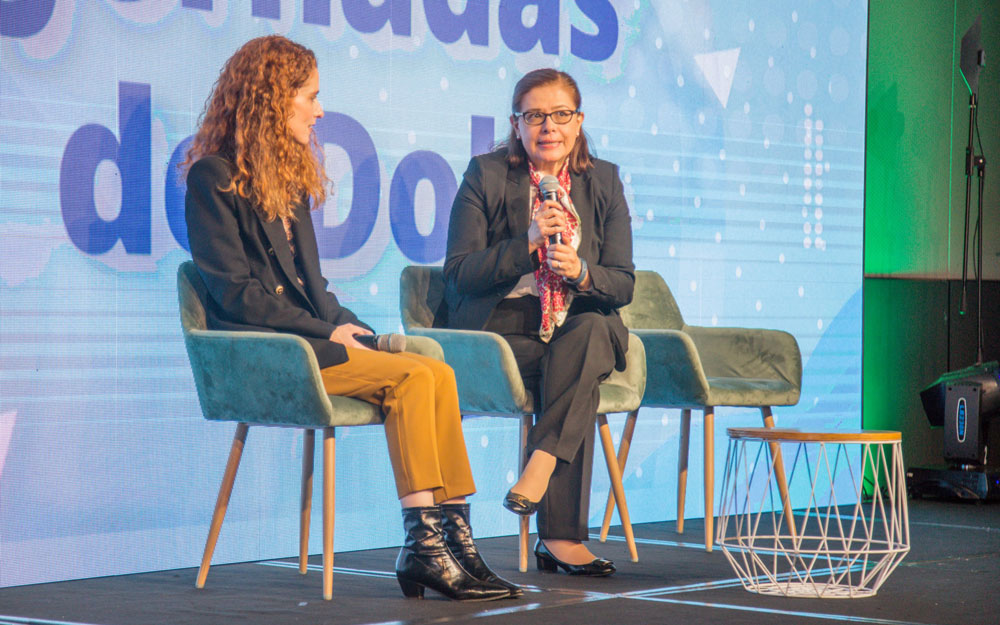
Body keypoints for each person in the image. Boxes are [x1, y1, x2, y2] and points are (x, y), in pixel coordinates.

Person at [183, 35, 519, 602]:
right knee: (412, 378)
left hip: (312, 344)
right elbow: (235, 296)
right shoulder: (212, 179)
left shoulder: (286, 183)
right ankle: (423, 549)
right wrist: (326, 331)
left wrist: (354, 328)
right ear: (272, 100)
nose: (319, 110)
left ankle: (456, 539)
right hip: (268, 355)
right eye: (310, 96)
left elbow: (315, 292)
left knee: (436, 372)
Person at [444, 69, 635, 576]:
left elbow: (624, 282)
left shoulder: (604, 180)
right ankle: (561, 537)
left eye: (560, 114)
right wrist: (527, 245)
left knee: (590, 335)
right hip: (507, 333)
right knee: (578, 374)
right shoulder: (485, 175)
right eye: (534, 115)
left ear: (579, 122)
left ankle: (541, 461)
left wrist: (586, 272)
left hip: (578, 323)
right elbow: (459, 275)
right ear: (516, 123)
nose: (548, 126)